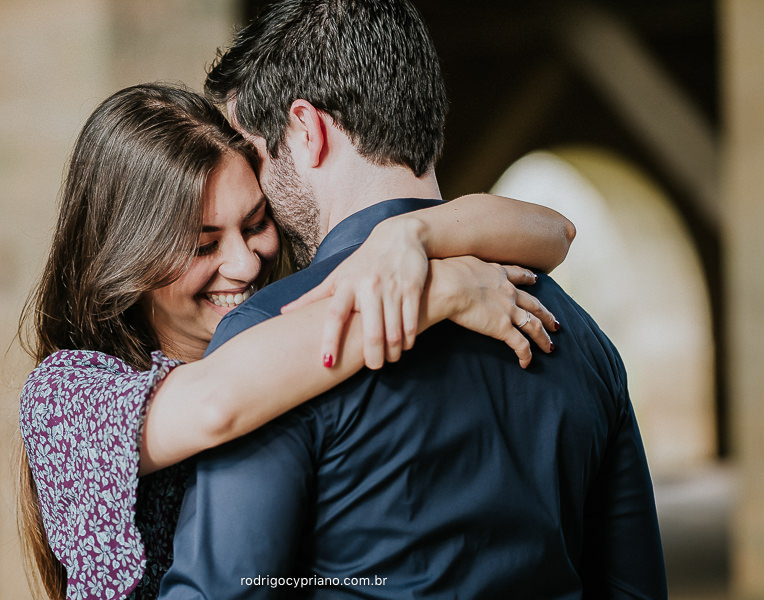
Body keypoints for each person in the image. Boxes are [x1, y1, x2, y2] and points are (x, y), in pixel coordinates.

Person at [157, 0, 667, 598]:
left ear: (307, 130)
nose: (259, 191)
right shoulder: (581, 336)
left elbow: (226, 589)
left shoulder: (273, 334)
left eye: (255, 155)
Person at [18, 83, 575, 600]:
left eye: (255, 224)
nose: (244, 263)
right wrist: (436, 291)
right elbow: (216, 401)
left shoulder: (295, 327)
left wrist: (409, 236)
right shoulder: (62, 396)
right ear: (127, 255)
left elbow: (556, 232)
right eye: (203, 245)